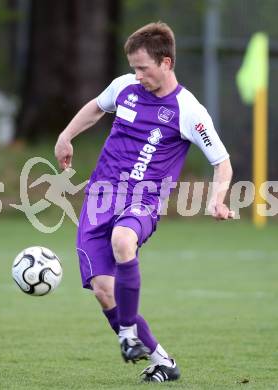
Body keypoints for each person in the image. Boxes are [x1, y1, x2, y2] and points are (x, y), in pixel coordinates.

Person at [55, 22, 234, 383]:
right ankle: (161, 360)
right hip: (99, 199)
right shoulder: (124, 87)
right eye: (133, 67)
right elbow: (96, 107)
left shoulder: (189, 111)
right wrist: (66, 135)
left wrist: (218, 199)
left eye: (143, 68)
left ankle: (126, 335)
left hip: (143, 200)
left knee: (124, 241)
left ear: (166, 63)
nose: (136, 75)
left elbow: (222, 162)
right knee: (105, 292)